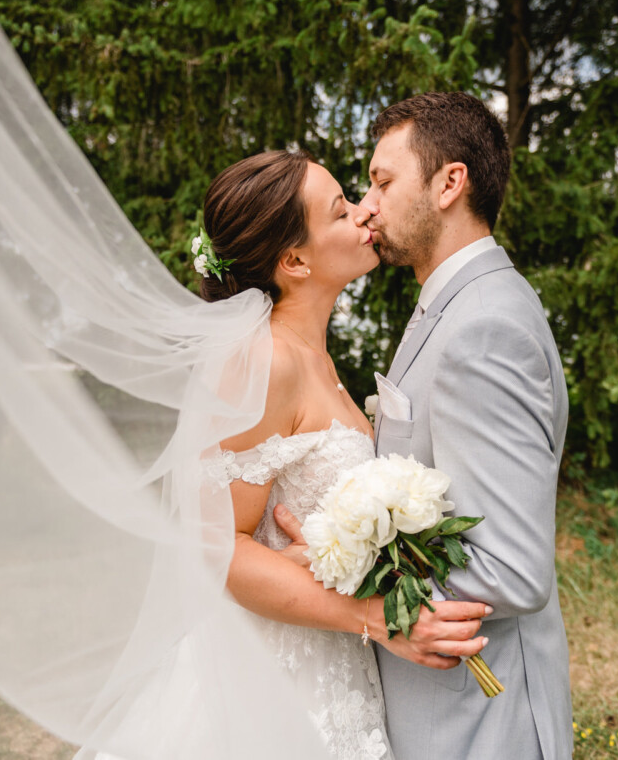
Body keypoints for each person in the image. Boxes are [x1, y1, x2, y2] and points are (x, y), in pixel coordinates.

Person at [193, 150, 492, 760]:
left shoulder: (317, 361)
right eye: (341, 211)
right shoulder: (264, 363)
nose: (366, 213)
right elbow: (218, 547)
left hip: (332, 665)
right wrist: (379, 616)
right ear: (295, 260)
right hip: (279, 689)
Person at [357, 92, 574, 760]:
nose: (367, 206)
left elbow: (509, 569)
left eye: (383, 181)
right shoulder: (453, 304)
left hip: (478, 724)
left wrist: (344, 575)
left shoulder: (481, 327)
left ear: (450, 182)